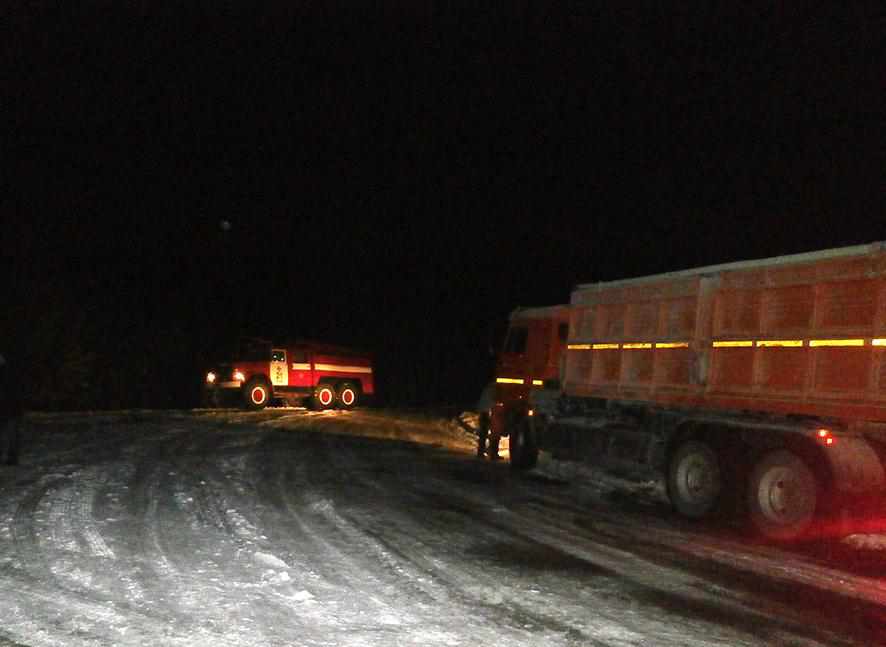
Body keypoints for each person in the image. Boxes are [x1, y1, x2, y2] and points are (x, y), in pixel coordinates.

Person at [0, 353, 22, 466]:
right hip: (10, 406)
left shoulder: (8, 372)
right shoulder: (10, 371)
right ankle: (11, 456)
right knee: (10, 431)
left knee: (10, 431)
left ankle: (12, 457)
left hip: (9, 406)